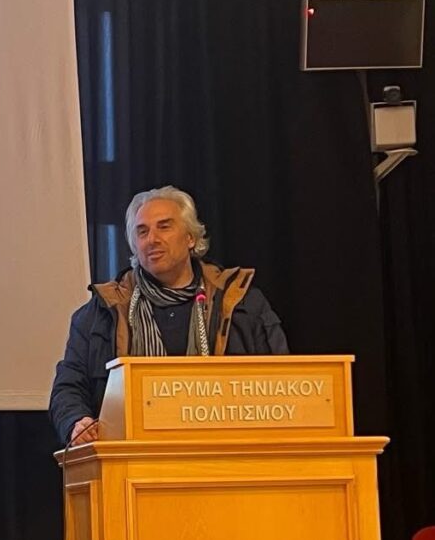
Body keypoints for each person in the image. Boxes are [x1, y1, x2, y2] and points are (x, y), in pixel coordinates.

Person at [49, 185, 288, 446]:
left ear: (190, 238)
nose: (152, 239)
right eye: (142, 231)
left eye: (164, 227)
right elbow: (68, 387)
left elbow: (283, 382)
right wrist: (77, 421)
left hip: (226, 452)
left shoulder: (242, 303)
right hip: (132, 456)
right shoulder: (101, 311)